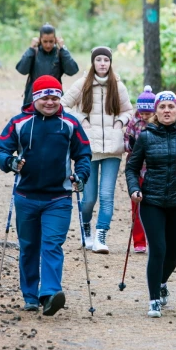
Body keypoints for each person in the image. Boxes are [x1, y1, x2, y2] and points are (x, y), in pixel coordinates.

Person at [0, 75, 92, 316]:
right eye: (45, 97)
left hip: (58, 198)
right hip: (25, 196)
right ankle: (29, 295)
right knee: (29, 247)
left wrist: (81, 175)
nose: (50, 102)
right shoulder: (19, 122)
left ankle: (49, 293)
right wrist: (10, 162)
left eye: (55, 97)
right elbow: (1, 148)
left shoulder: (70, 123)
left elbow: (84, 154)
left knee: (52, 245)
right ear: (35, 98)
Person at [126, 91, 176, 318]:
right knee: (158, 249)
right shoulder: (146, 135)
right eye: (162, 107)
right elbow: (132, 167)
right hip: (151, 200)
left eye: (170, 107)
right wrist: (134, 189)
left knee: (172, 254)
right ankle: (154, 299)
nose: (166, 111)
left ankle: (162, 282)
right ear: (156, 110)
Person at [61, 46, 133, 254]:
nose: (102, 63)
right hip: (88, 149)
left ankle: (101, 235)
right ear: (93, 62)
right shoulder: (83, 83)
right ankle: (86, 228)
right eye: (99, 60)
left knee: (107, 195)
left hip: (112, 149)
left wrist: (120, 122)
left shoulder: (117, 85)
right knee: (89, 197)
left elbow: (129, 110)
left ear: (110, 63)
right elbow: (64, 105)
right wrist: (81, 120)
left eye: (106, 60)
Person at [123, 85, 156, 253]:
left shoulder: (158, 123)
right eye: (142, 113)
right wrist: (131, 146)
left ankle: (154, 240)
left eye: (148, 114)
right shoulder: (134, 121)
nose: (144, 116)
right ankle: (139, 242)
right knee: (137, 206)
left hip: (154, 171)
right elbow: (126, 141)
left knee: (153, 208)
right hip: (137, 170)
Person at [16, 23, 79, 106]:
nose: (48, 45)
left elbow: (72, 70)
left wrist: (63, 49)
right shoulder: (34, 53)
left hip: (54, 98)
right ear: (40, 39)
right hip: (33, 97)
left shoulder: (59, 53)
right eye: (45, 41)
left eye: (51, 41)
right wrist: (31, 48)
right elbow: (22, 69)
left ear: (55, 40)